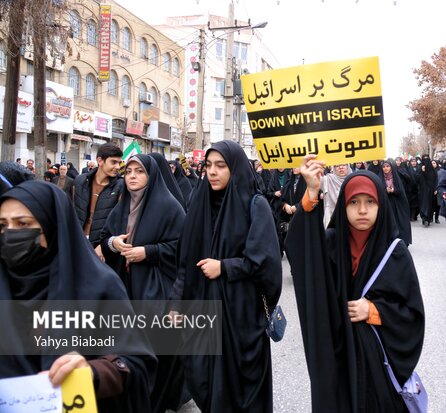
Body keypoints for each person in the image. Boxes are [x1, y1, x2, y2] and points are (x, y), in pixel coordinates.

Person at [0, 181, 156, 412]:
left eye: (23, 223)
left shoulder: (98, 286)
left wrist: (93, 372)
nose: (10, 234)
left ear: (52, 226)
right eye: (2, 225)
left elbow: (136, 363)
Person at [285, 154, 424, 412]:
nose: (362, 210)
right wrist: (311, 192)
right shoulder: (330, 244)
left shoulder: (394, 252)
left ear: (381, 204)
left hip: (378, 366)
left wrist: (374, 311)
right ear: (343, 206)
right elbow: (298, 248)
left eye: (370, 202)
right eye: (354, 202)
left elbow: (413, 315)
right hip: (336, 358)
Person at [170, 140, 282, 412]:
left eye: (221, 166)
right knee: (202, 379)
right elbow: (186, 260)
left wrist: (225, 267)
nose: (212, 172)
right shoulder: (199, 205)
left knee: (241, 391)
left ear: (235, 168)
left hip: (240, 315)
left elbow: (265, 262)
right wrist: (176, 303)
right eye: (208, 165)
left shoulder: (255, 206)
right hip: (203, 311)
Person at [101, 154, 186, 413]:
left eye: (139, 171)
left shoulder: (169, 207)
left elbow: (182, 248)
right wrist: (113, 243)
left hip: (156, 291)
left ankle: (156, 401)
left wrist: (148, 252)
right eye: (128, 172)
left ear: (151, 176)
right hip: (125, 290)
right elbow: (106, 236)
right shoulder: (121, 205)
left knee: (154, 349)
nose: (132, 177)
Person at [72, 143, 123, 260]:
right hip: (78, 241)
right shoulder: (80, 181)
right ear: (100, 161)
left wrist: (103, 246)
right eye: (113, 162)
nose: (118, 167)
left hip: (102, 247)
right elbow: (72, 211)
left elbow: (119, 221)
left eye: (119, 163)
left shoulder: (121, 186)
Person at [378, 159, 412, 245]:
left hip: (397, 203)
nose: (385, 168)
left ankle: (401, 241)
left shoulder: (396, 177)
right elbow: (378, 191)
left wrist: (394, 190)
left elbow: (401, 191)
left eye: (388, 166)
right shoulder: (380, 178)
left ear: (391, 167)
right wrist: (385, 191)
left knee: (400, 222)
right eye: (384, 167)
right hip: (385, 203)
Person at [416, 157, 438, 227]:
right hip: (422, 191)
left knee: (429, 204)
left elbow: (436, 180)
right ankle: (424, 218)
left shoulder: (433, 170)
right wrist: (422, 171)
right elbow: (417, 179)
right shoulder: (420, 169)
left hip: (430, 190)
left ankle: (428, 219)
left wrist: (435, 189)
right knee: (423, 204)